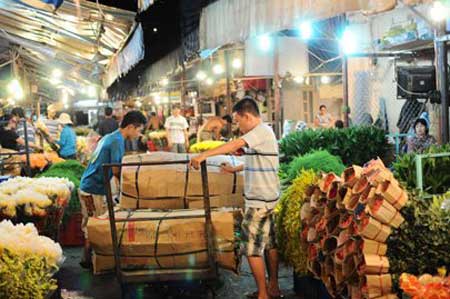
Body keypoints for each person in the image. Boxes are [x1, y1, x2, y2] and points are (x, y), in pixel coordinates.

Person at [190, 97, 282, 299]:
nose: (238, 127)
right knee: (269, 244)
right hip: (269, 198)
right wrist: (234, 169)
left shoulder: (259, 132)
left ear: (247, 116)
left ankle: (263, 294)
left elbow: (233, 146)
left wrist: (203, 156)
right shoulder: (265, 133)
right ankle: (273, 287)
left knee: (251, 248)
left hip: (259, 201)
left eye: (238, 121)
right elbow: (257, 159)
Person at [79, 111, 147, 268]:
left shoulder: (111, 136)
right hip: (93, 189)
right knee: (94, 224)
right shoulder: (117, 141)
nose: (139, 134)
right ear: (130, 127)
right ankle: (91, 259)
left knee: (91, 222)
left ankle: (91, 258)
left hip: (90, 186)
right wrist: (131, 190)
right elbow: (116, 170)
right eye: (138, 130)